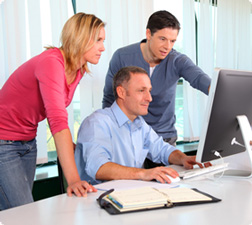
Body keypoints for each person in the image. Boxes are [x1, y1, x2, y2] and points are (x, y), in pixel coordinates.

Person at [0, 12, 105, 210]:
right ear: (81, 37)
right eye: (98, 40)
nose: (103, 47)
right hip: (3, 141)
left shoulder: (79, 68)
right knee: (22, 213)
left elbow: (53, 111)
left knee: (11, 210)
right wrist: (73, 179)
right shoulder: (51, 62)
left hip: (27, 142)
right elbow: (57, 119)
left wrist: (68, 144)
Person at [75, 66, 206, 185]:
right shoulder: (97, 123)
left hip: (131, 193)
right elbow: (98, 168)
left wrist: (183, 158)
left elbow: (162, 150)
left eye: (149, 91)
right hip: (100, 201)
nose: (149, 98)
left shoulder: (139, 123)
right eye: (141, 90)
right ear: (121, 92)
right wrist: (143, 173)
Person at [102, 10, 211, 147]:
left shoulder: (177, 60)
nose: (168, 47)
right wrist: (109, 132)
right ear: (148, 34)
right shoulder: (122, 56)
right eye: (162, 39)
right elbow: (109, 99)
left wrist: (217, 90)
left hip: (163, 138)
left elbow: (199, 78)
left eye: (172, 41)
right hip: (128, 135)